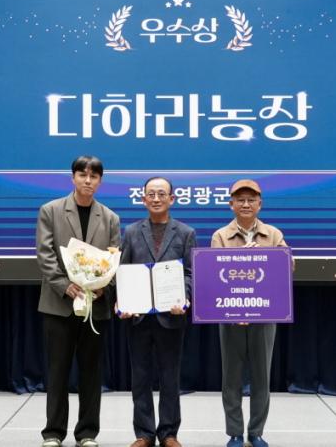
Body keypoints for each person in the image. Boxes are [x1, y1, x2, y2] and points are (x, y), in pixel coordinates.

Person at [37, 155, 120, 447]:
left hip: (95, 307)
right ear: (72, 178)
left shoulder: (110, 218)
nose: (88, 180)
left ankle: (87, 433)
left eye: (93, 176)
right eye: (82, 175)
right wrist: (65, 285)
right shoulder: (51, 211)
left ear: (100, 181)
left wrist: (103, 284)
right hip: (59, 305)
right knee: (58, 371)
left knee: (91, 372)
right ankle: (53, 432)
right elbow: (45, 254)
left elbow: (113, 257)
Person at [117, 176, 197, 447]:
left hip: (171, 317)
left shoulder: (185, 233)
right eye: (151, 194)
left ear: (172, 199)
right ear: (143, 199)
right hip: (138, 318)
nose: (156, 198)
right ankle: (144, 434)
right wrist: (123, 302)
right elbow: (123, 271)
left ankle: (169, 433)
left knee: (170, 378)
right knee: (140, 377)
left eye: (162, 194)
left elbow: (190, 273)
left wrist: (184, 298)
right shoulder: (131, 232)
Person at [211, 179, 291, 447]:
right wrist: (239, 259)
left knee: (261, 377)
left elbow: (286, 267)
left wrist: (271, 259)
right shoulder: (220, 236)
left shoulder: (273, 234)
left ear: (259, 204)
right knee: (231, 378)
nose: (245, 204)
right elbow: (214, 275)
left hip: (264, 316)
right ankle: (235, 432)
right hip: (230, 317)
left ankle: (256, 432)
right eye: (240, 200)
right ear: (231, 204)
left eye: (251, 200)